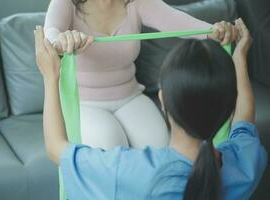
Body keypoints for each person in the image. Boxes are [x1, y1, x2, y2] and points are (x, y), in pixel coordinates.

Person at [34, 18, 267, 199]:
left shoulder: (126, 170)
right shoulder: (246, 159)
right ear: (229, 109)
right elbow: (244, 121)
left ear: (163, 100)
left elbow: (56, 148)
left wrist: (50, 76)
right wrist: (240, 57)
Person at [44, 0, 237, 150]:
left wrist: (212, 31)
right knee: (111, 148)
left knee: (160, 147)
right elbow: (50, 33)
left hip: (130, 97)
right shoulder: (66, 3)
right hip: (85, 104)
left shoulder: (136, 2)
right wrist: (61, 41)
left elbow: (176, 20)